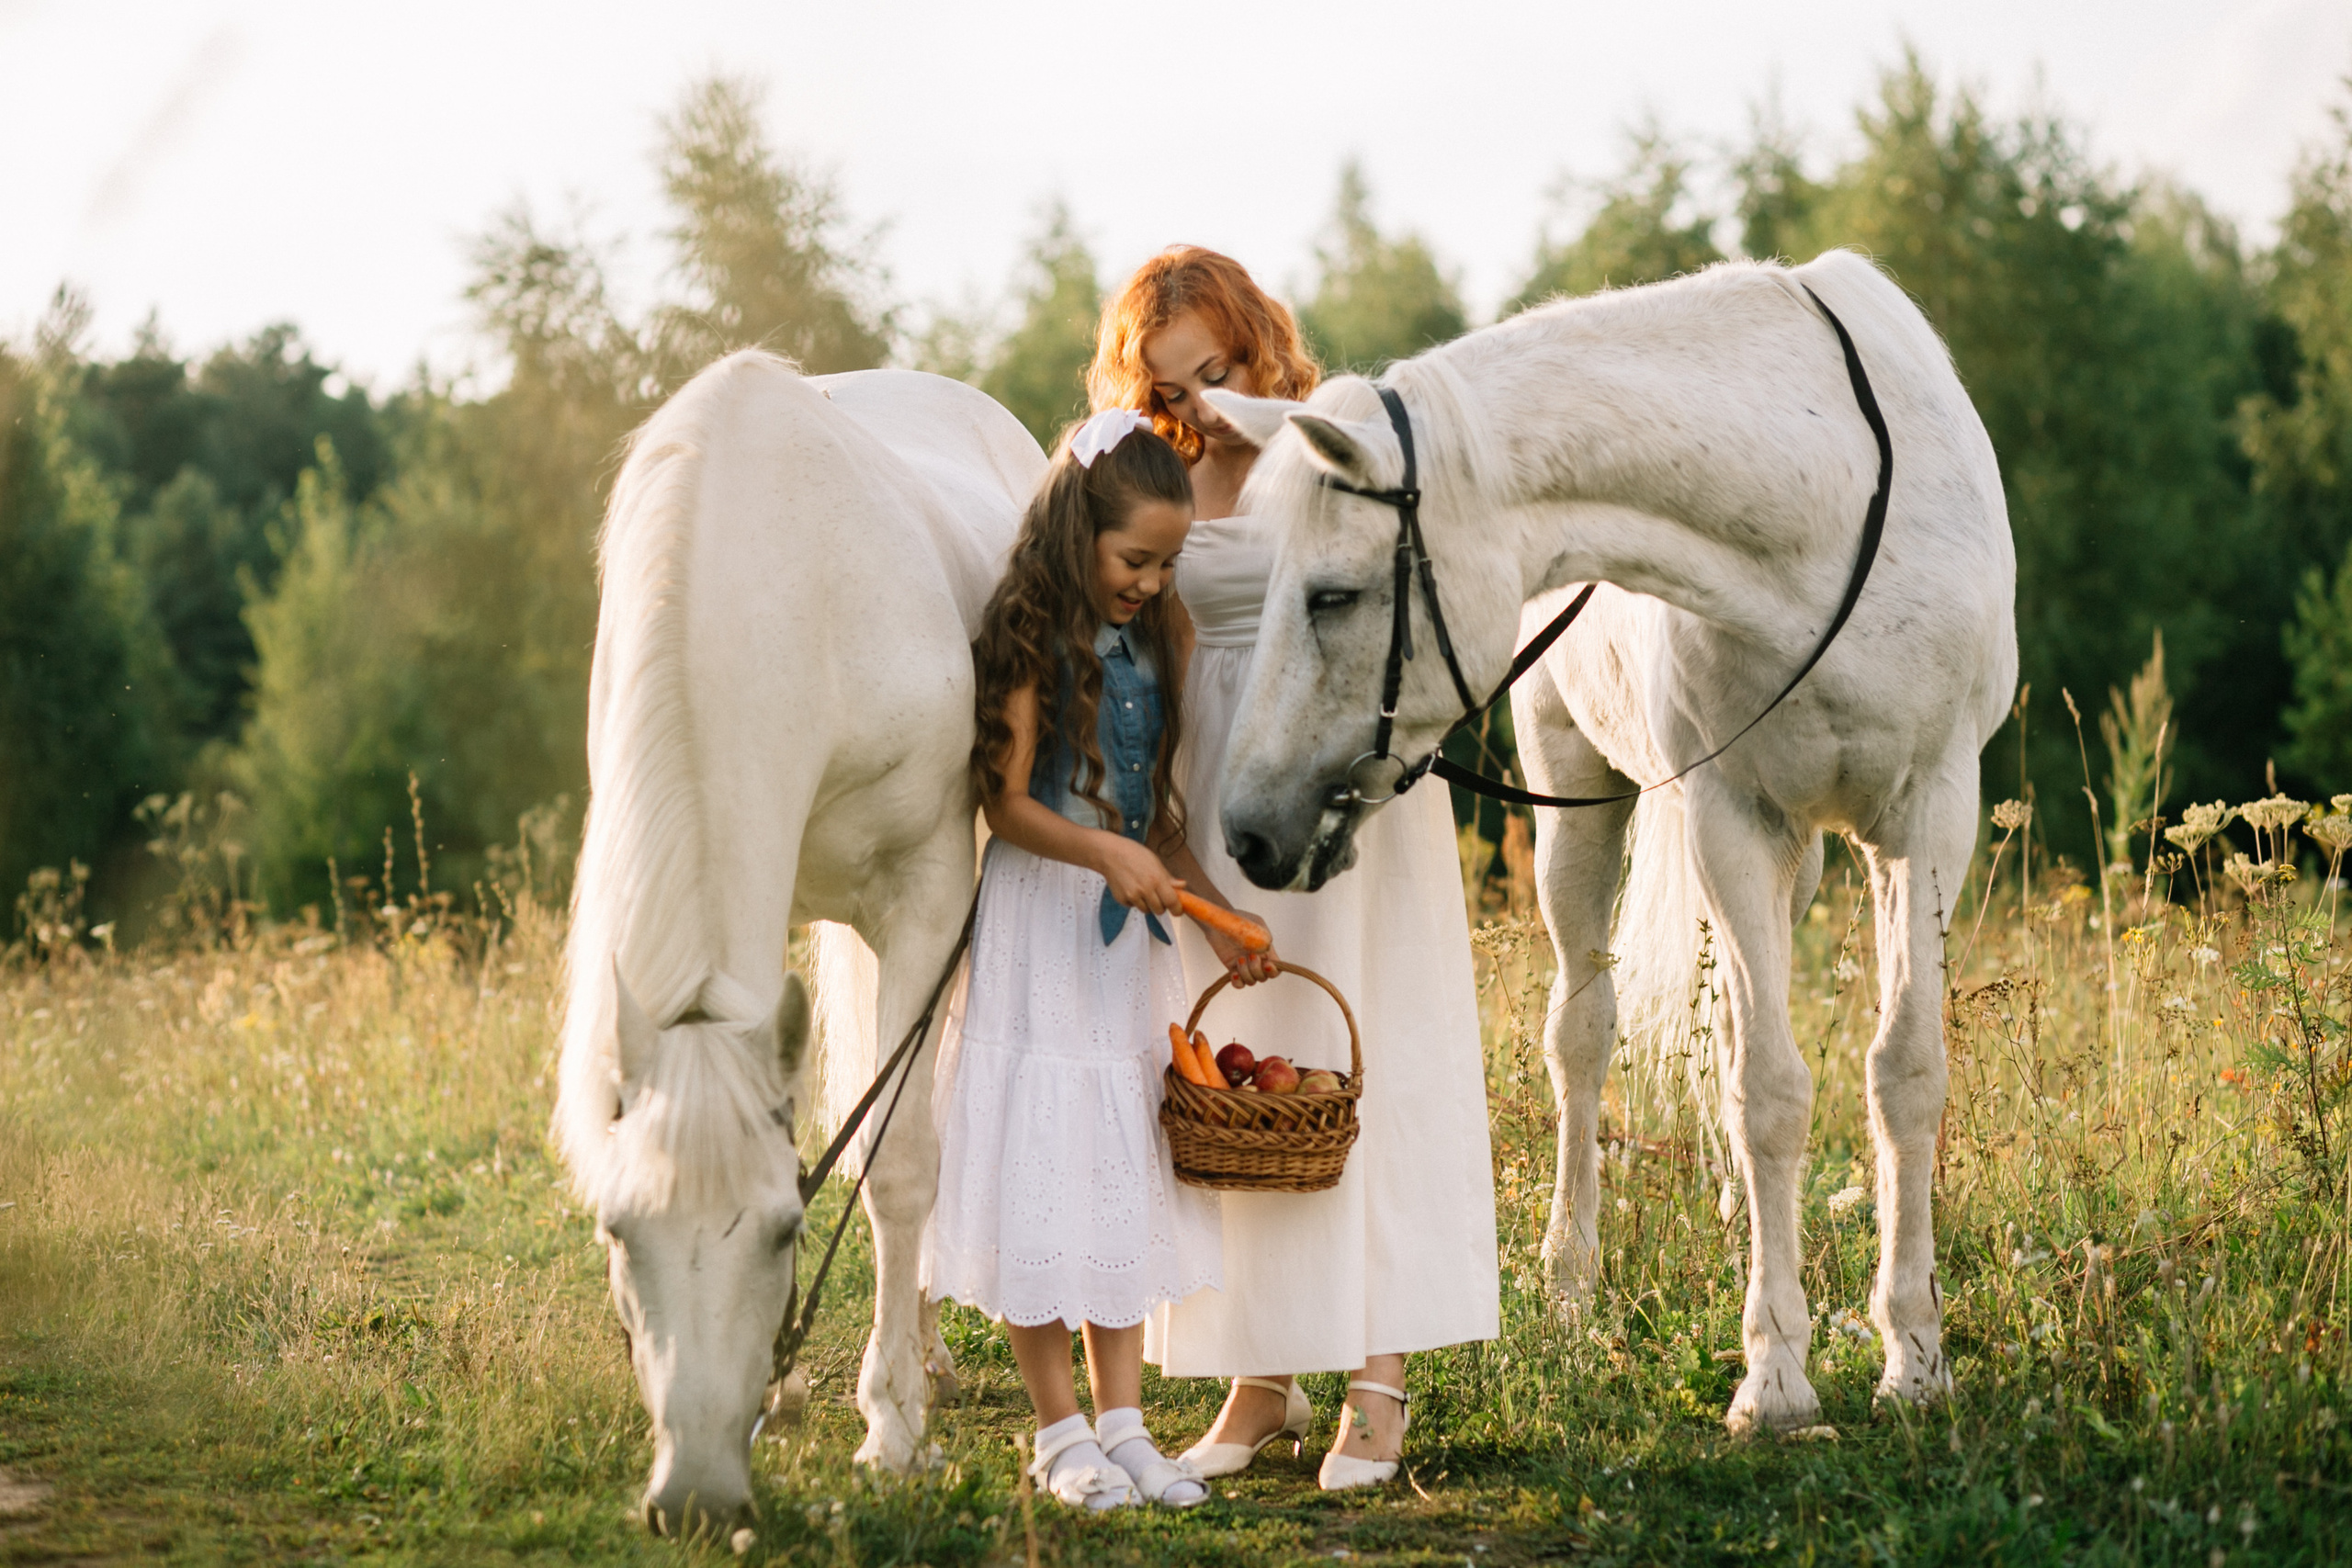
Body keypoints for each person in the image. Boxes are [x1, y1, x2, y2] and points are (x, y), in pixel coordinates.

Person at [1091, 247, 1500, 1492]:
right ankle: (1260, 1374)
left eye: (1216, 369)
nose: (1202, 403)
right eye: (1171, 386)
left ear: (1257, 340)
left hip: (1330, 760)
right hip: (1216, 771)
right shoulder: (1156, 474)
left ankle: (1378, 1373)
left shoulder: (1334, 448)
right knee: (1236, 1079)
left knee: (1363, 1049)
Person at [922, 409, 1275, 1511]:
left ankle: (1124, 1425)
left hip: (1122, 952)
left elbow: (1153, 820)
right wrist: (1104, 855)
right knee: (1042, 1162)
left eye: (1168, 563)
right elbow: (1006, 805)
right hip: (1041, 921)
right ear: (1079, 533)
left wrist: (1217, 916)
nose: (1152, 581)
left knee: (1116, 1165)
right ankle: (1058, 1432)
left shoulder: (1155, 641)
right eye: (1135, 560)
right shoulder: (1030, 633)